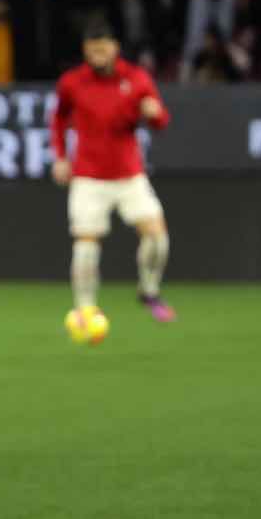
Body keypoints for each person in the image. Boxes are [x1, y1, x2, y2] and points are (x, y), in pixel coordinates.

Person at [50, 18, 176, 323]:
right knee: (85, 246)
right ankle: (85, 309)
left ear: (115, 48)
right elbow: (59, 119)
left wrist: (155, 114)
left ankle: (148, 290)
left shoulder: (136, 79)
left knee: (157, 239)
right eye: (92, 49)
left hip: (129, 175)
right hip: (88, 177)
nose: (98, 54)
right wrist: (60, 156)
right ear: (85, 50)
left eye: (103, 48)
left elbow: (161, 121)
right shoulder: (72, 82)